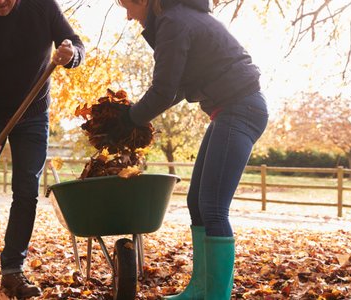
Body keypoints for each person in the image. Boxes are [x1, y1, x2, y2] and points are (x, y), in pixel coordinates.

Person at [113, 0, 268, 299]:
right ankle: (201, 288)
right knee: (197, 201)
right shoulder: (179, 18)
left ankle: (216, 295)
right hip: (230, 108)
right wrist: (135, 115)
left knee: (213, 207)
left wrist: (130, 118)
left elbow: (163, 91)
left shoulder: (174, 21)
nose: (129, 15)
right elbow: (178, 89)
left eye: (128, 6)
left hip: (241, 107)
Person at [0, 0, 85, 298]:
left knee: (26, 192)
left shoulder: (43, 7)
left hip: (33, 113)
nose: (0, 2)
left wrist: (71, 55)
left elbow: (76, 43)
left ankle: (13, 270)